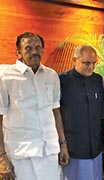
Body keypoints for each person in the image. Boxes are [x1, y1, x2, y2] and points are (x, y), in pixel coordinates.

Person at [0, 32, 69, 180]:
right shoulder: (6, 77)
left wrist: (63, 144)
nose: (34, 51)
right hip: (21, 154)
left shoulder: (51, 75)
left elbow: (55, 112)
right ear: (18, 52)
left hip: (49, 151)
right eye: (28, 48)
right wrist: (1, 157)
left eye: (38, 47)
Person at [59, 45, 104, 180]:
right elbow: (56, 115)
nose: (90, 67)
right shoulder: (62, 81)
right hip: (73, 149)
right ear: (75, 60)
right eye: (86, 63)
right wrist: (62, 145)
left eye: (93, 63)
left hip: (96, 149)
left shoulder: (98, 80)